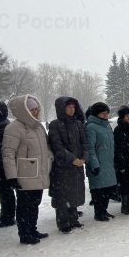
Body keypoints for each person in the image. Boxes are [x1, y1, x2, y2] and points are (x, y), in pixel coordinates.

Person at [1, 95, 51, 245]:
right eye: (31, 109)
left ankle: (32, 229)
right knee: (24, 205)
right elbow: (8, 153)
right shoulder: (14, 128)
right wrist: (12, 176)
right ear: (23, 110)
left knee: (35, 203)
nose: (34, 112)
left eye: (36, 109)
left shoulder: (38, 126)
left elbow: (45, 148)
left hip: (39, 172)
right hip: (24, 173)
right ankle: (24, 233)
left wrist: (50, 160)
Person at [48, 97, 88, 233]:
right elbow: (57, 146)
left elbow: (85, 143)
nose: (72, 110)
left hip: (77, 166)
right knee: (62, 195)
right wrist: (72, 159)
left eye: (73, 107)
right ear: (62, 108)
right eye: (68, 107)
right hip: (62, 167)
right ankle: (63, 222)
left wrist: (83, 158)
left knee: (74, 193)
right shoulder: (55, 125)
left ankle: (73, 219)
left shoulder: (78, 124)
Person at [85, 102, 117, 222]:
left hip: (108, 163)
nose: (105, 114)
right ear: (96, 113)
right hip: (98, 164)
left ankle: (104, 210)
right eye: (103, 112)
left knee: (107, 189)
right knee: (99, 190)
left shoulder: (107, 126)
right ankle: (98, 213)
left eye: (107, 112)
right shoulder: (91, 127)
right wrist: (94, 164)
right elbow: (90, 147)